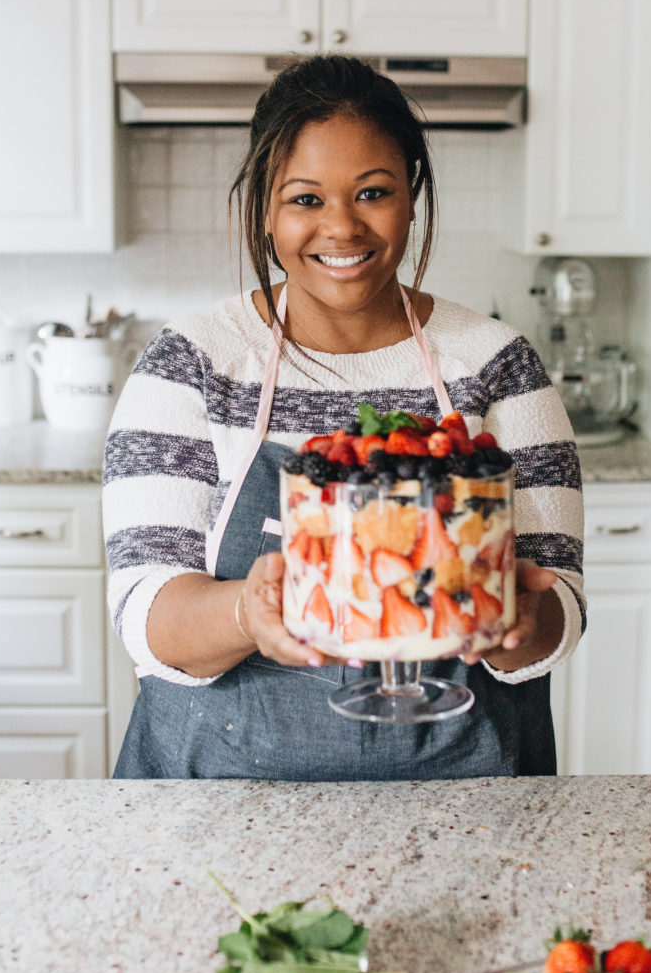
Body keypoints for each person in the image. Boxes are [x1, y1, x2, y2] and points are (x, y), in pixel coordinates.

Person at [104, 55, 584, 780]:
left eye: (372, 192)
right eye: (304, 199)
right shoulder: (191, 365)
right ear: (264, 208)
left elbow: (561, 611)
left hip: (467, 801)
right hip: (220, 799)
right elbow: (145, 617)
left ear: (410, 198)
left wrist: (516, 620)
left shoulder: (497, 365)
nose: (341, 227)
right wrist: (247, 612)